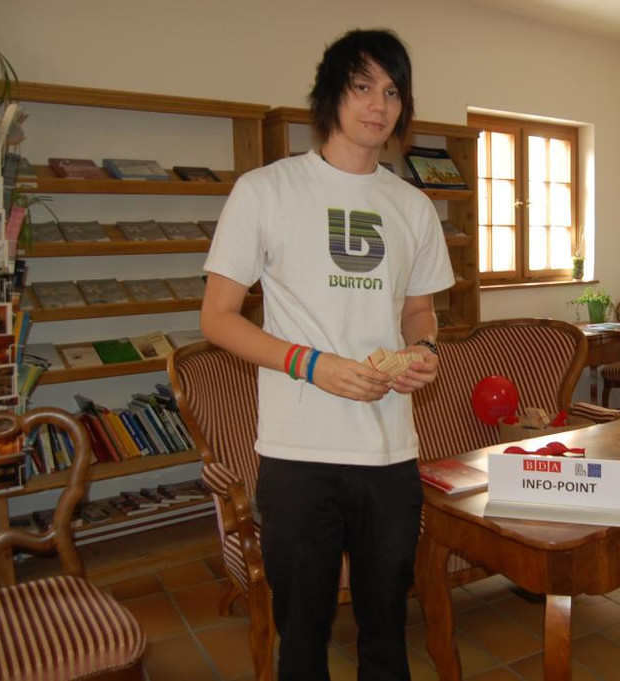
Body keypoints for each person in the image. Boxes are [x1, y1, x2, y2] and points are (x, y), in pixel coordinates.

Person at [200, 29, 454, 680]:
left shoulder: (413, 206)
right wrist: (314, 365)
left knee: (386, 634)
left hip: (390, 454)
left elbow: (419, 310)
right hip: (298, 455)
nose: (379, 104)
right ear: (330, 94)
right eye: (362, 86)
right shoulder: (266, 190)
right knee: (303, 641)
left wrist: (423, 348)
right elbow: (217, 319)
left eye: (392, 91)